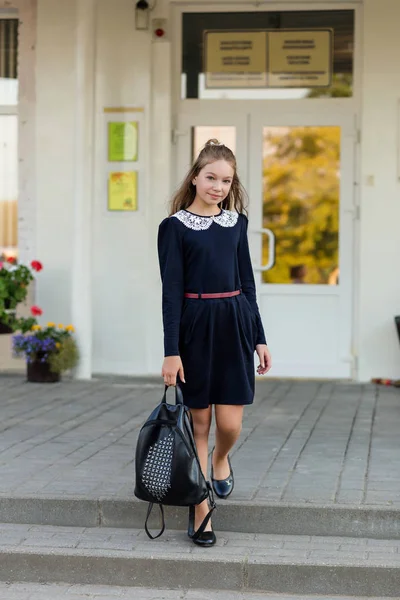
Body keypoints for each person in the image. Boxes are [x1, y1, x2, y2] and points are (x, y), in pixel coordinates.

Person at [157, 139, 272, 547]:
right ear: (194, 177)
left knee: (230, 423)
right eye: (211, 177)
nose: (218, 186)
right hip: (193, 328)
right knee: (199, 422)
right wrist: (171, 351)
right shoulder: (173, 228)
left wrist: (259, 337)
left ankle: (221, 460)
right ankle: (200, 506)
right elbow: (171, 293)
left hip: (234, 323)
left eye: (226, 180)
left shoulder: (236, 224)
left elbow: (248, 283)